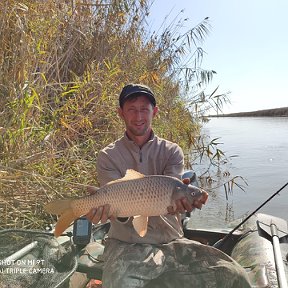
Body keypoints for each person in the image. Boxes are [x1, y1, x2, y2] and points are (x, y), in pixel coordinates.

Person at [86, 84, 251, 288]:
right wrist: (107, 212)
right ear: (120, 113)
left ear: (154, 111)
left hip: (171, 240)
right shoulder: (108, 156)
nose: (139, 116)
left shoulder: (172, 151)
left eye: (144, 109)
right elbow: (115, 205)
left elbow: (172, 192)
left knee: (235, 276)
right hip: (125, 243)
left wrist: (185, 202)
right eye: (131, 109)